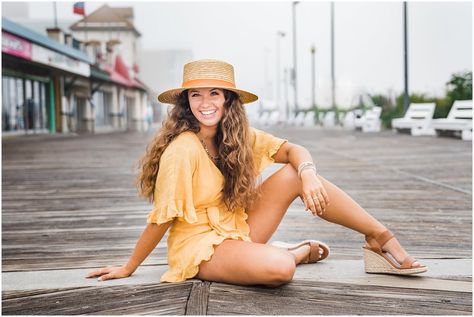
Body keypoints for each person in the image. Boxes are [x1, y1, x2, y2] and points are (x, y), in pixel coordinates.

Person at [86, 59, 426, 287]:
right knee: (281, 269)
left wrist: (307, 174)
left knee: (295, 173)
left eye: (214, 93)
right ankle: (294, 251)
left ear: (228, 99)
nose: (205, 102)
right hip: (201, 246)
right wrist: (129, 267)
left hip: (239, 227)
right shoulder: (182, 149)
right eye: (196, 94)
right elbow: (161, 218)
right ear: (186, 101)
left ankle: (379, 238)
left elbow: (295, 151)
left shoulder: (236, 136)